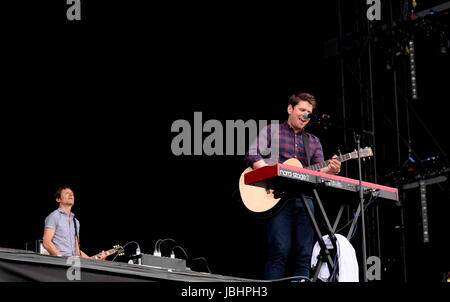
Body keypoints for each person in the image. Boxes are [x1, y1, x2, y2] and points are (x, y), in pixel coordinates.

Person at [245, 92, 341, 280]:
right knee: (279, 250)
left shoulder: (313, 141)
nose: (306, 115)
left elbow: (317, 174)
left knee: (304, 254)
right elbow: (252, 154)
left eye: (309, 112)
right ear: (290, 109)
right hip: (277, 198)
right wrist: (270, 174)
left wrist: (330, 170)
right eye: (302, 110)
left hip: (304, 200)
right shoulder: (272, 131)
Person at [43, 185, 107, 260]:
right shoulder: (54, 216)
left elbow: (77, 252)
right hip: (60, 264)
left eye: (72, 193)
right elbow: (47, 242)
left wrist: (93, 260)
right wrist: (62, 259)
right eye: (66, 193)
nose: (71, 194)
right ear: (58, 199)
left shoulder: (76, 222)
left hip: (73, 265)